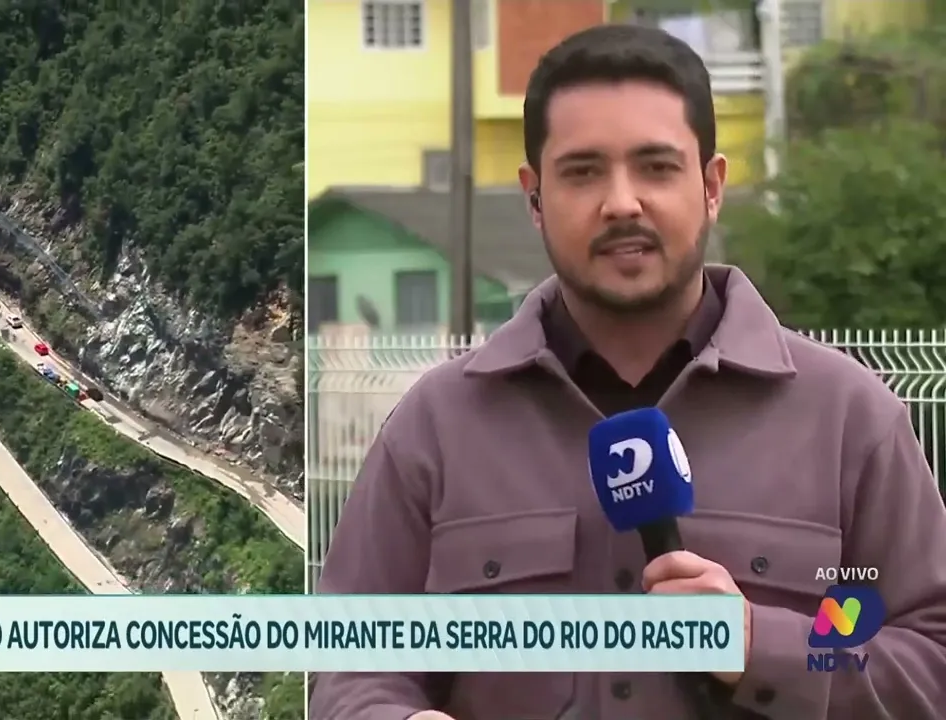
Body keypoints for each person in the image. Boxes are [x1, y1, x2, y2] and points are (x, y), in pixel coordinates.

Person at [309, 23, 946, 720]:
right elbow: (349, 664)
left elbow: (929, 661)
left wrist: (760, 645)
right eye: (582, 172)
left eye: (656, 166)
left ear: (710, 186)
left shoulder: (848, 418)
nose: (621, 202)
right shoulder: (437, 426)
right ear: (534, 198)